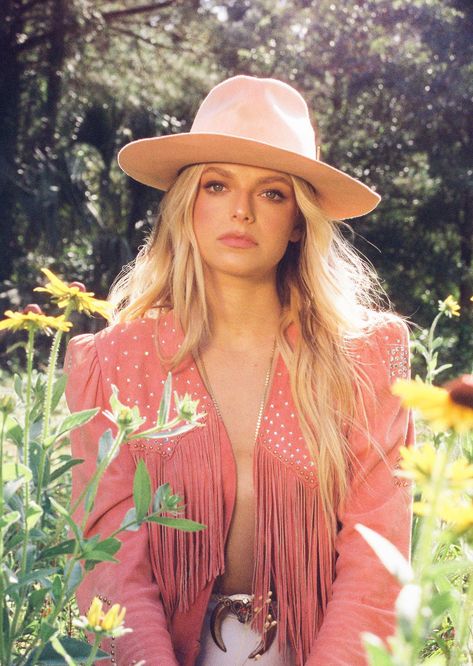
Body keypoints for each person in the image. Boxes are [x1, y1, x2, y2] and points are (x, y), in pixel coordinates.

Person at [64, 75, 414, 666]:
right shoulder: (114, 361)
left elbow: (376, 558)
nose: (242, 210)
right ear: (186, 204)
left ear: (301, 219)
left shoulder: (367, 357)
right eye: (217, 184)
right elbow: (108, 562)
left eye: (273, 193)